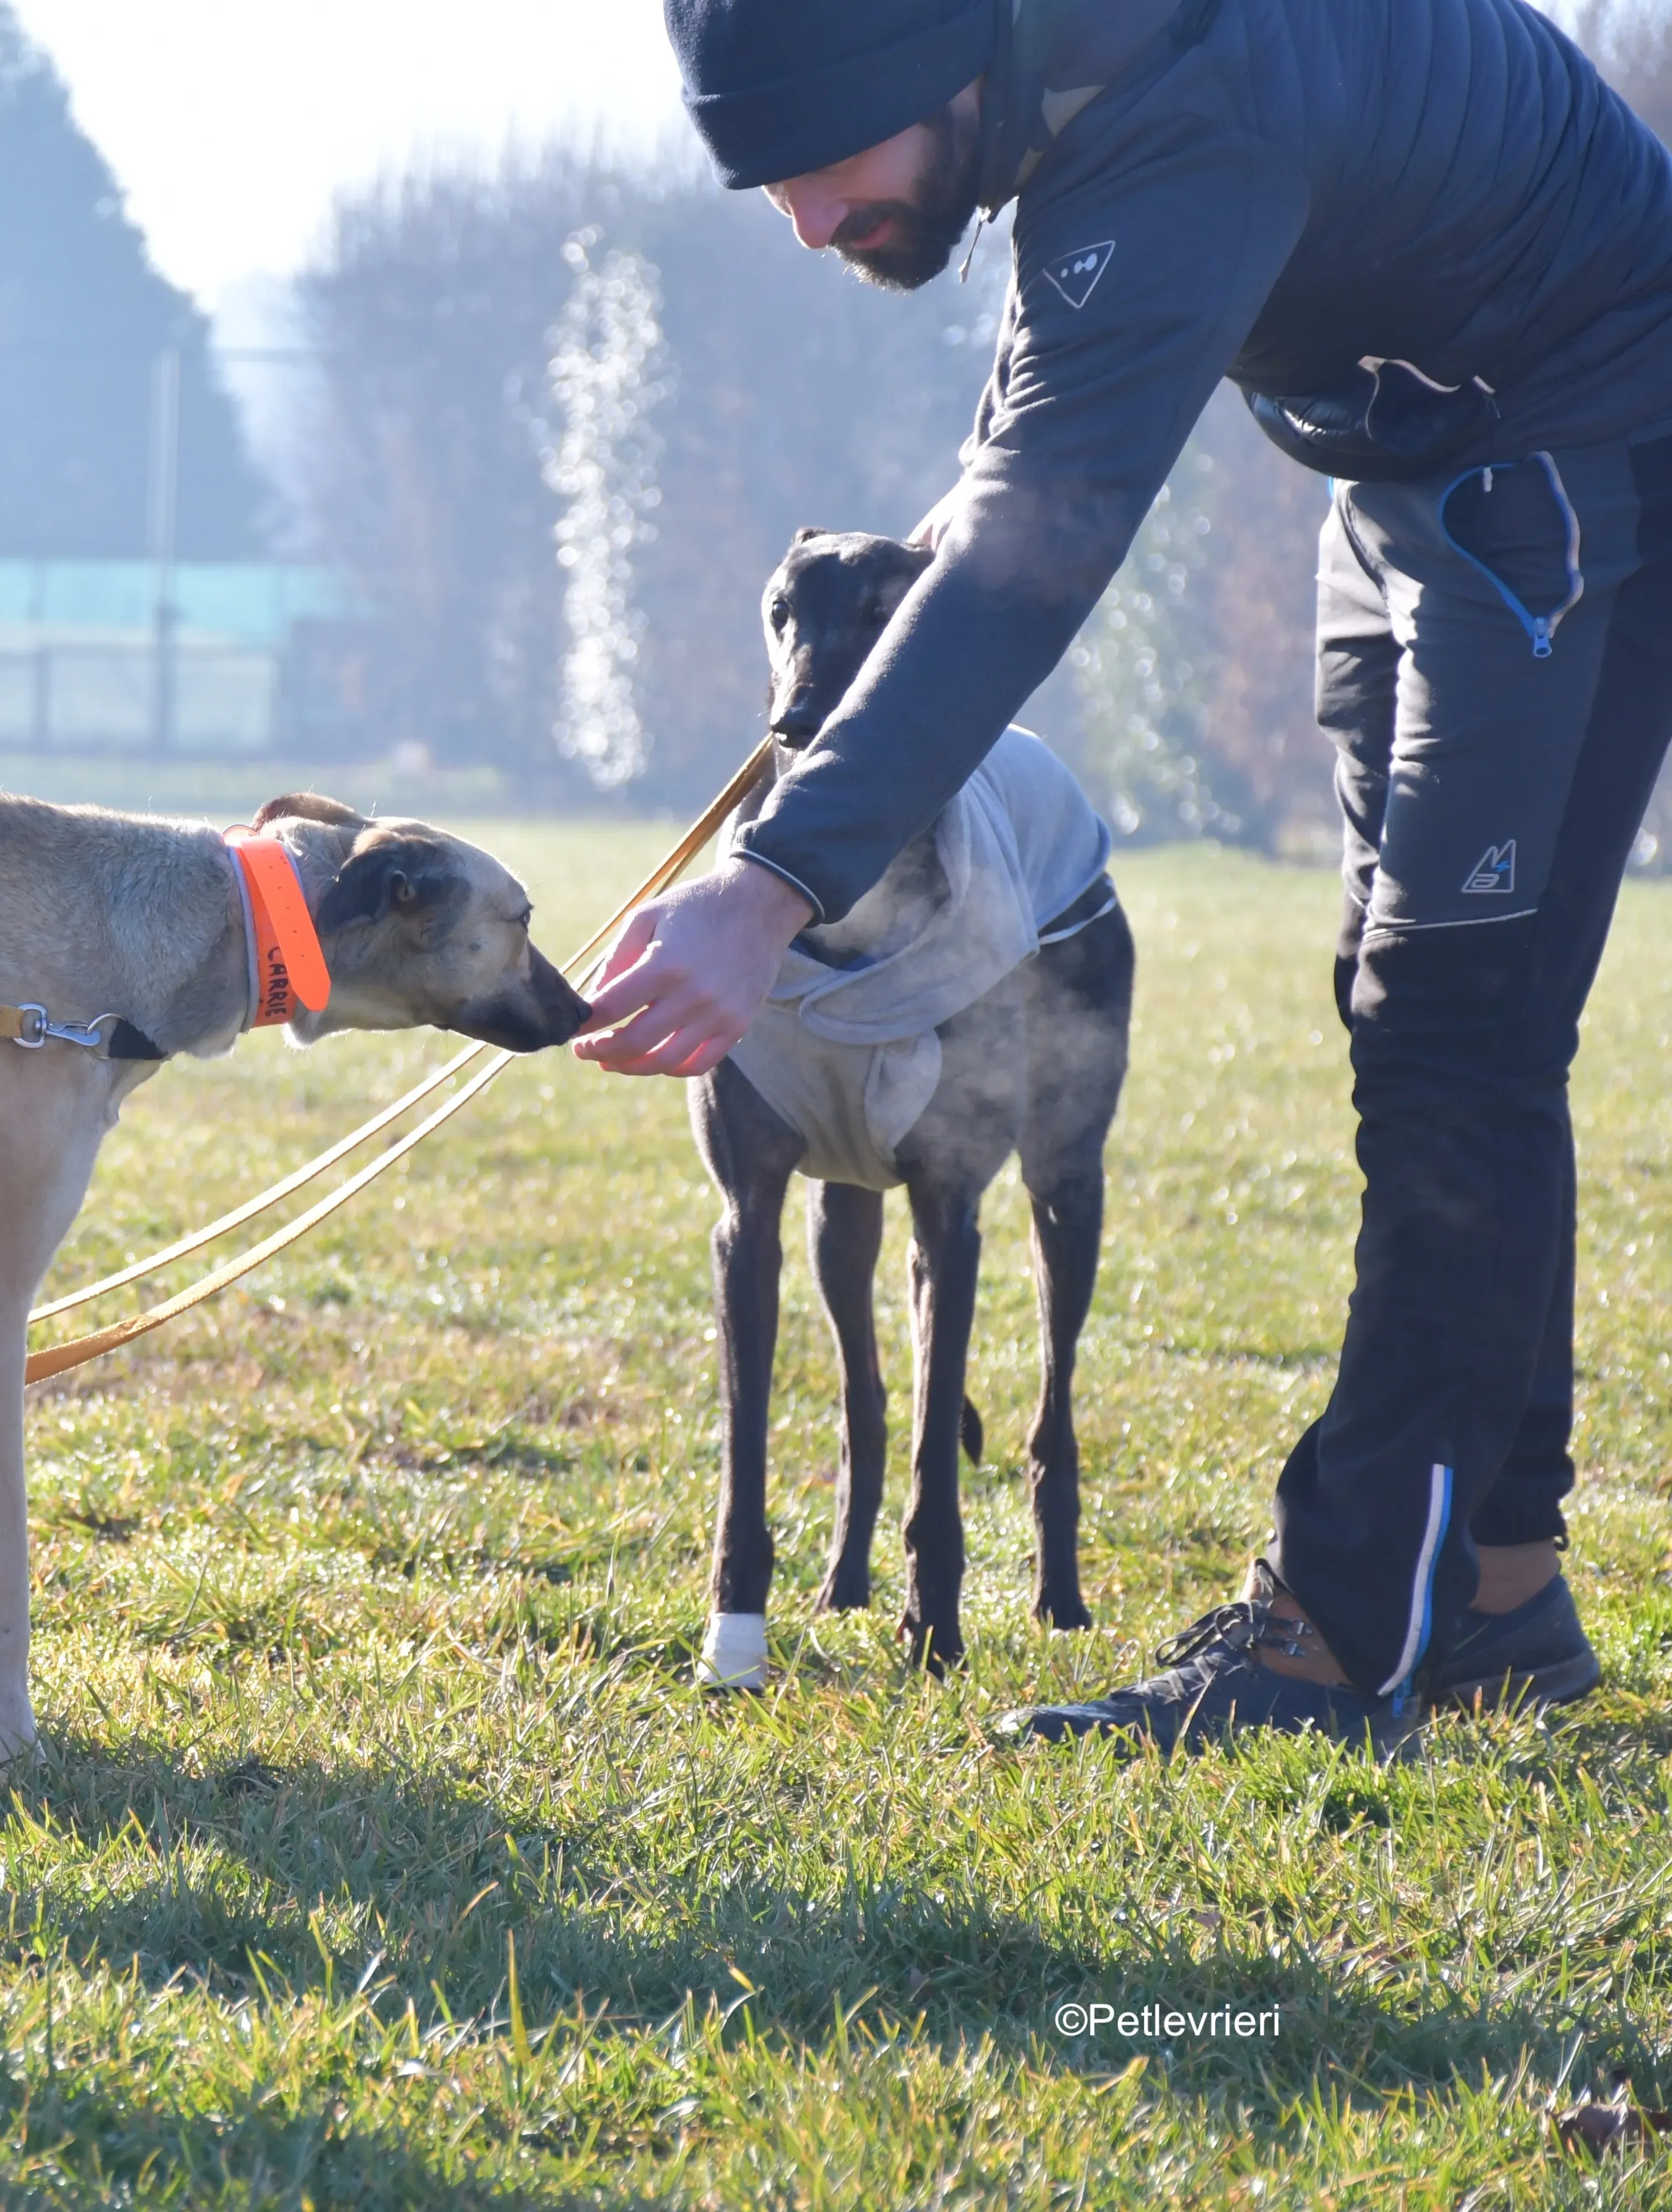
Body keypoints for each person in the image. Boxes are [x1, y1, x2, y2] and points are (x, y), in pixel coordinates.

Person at [604, 0, 1672, 1748]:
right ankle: (1493, 1579)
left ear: (938, 68)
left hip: (1574, 446)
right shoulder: (1063, 88)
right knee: (1424, 1016)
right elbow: (995, 482)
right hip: (1408, 474)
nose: (803, 220)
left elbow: (1043, 535)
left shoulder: (1190, 111)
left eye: (819, 161)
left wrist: (777, 875)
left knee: (1457, 1034)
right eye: (764, 185)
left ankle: (1342, 1636)